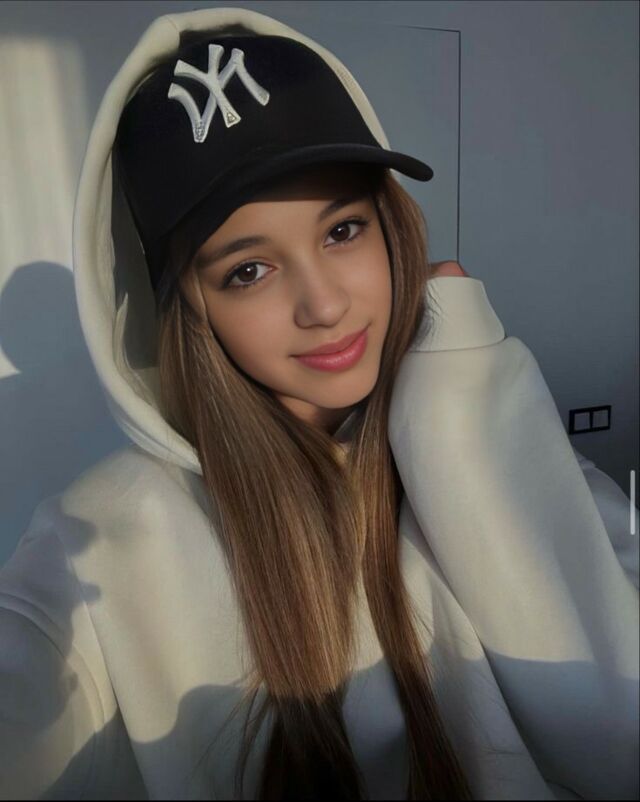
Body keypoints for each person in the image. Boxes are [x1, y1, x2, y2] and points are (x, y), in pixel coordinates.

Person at [0, 6, 637, 800]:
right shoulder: (97, 544)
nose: (325, 305)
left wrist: (460, 415)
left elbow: (620, 726)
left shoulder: (496, 443)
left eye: (342, 231)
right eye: (248, 271)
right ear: (193, 305)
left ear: (392, 225)